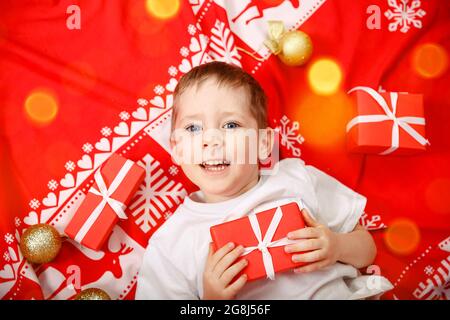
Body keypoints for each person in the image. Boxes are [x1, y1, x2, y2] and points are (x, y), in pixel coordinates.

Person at [135, 61, 393, 299]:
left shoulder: (296, 178)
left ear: (263, 143)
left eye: (231, 125)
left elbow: (366, 250)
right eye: (193, 128)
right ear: (176, 149)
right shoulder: (170, 244)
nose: (211, 139)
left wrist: (337, 247)